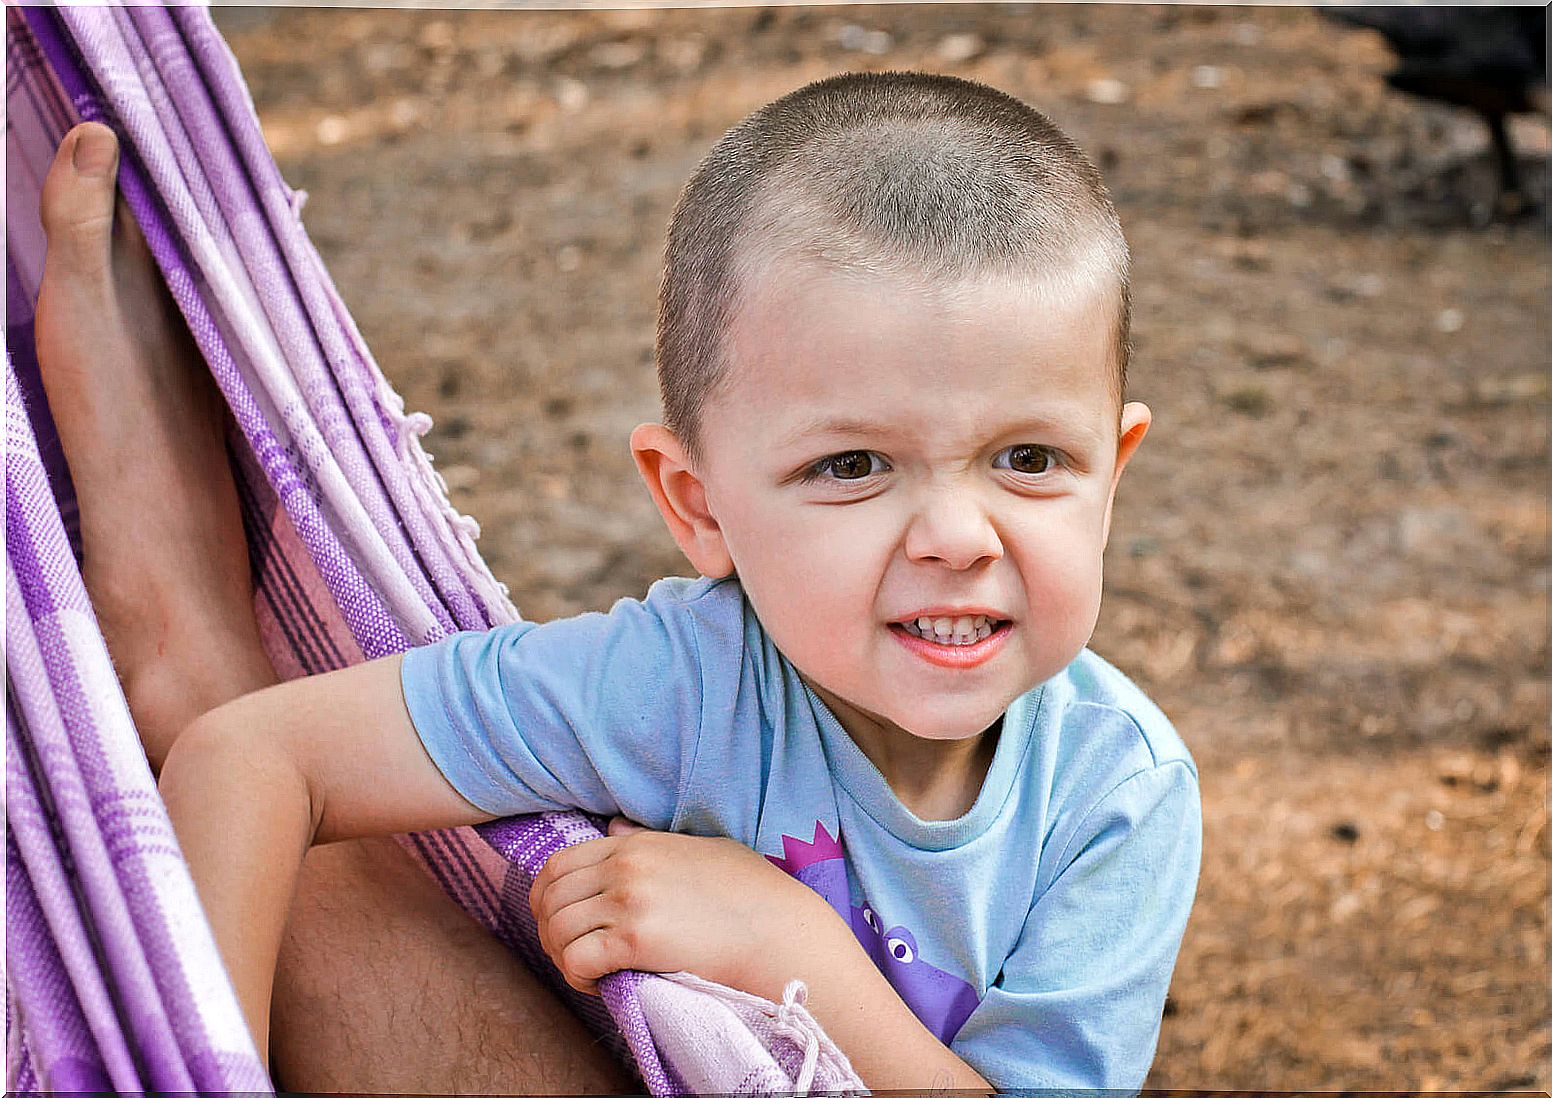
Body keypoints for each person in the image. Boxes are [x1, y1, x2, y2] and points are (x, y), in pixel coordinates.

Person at [33, 70, 1201, 1091]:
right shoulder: (684, 683)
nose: (957, 535)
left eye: (1030, 459)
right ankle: (183, 644)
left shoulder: (1114, 794)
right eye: (851, 466)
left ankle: (185, 637)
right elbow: (253, 755)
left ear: (1116, 471)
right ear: (696, 506)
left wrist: (781, 945)